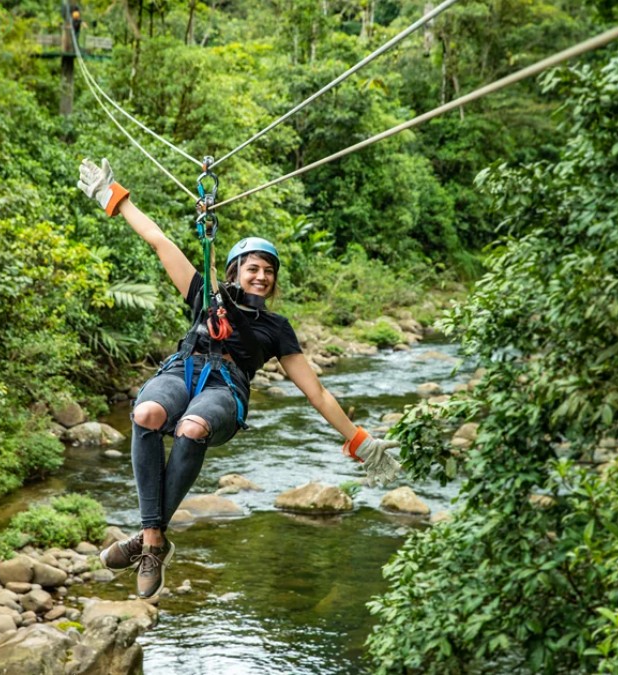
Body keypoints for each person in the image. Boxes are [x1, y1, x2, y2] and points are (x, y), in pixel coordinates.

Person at [77, 158, 401, 599]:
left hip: (225, 390)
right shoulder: (204, 294)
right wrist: (114, 197)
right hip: (182, 370)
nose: (262, 276)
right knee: (146, 413)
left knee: (192, 428)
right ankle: (154, 540)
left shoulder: (277, 328)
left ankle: (149, 540)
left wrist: (359, 441)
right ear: (234, 271)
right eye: (253, 268)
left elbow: (317, 392)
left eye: (269, 271)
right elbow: (159, 240)